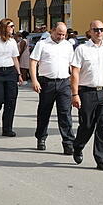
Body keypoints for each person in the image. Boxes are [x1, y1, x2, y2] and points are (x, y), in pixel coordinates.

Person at [70, 20, 103, 170]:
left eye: (101, 29)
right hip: (87, 92)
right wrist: (75, 94)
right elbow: (75, 72)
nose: (99, 32)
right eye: (96, 30)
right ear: (90, 32)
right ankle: (78, 146)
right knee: (87, 125)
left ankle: (101, 159)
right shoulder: (82, 49)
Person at [30, 22, 76, 154]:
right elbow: (33, 62)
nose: (61, 37)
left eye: (64, 34)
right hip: (46, 82)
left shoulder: (68, 46)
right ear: (52, 31)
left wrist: (75, 84)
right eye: (59, 34)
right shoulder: (42, 44)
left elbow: (72, 65)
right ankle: (41, 137)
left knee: (65, 113)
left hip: (64, 83)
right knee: (44, 112)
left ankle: (68, 143)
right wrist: (34, 80)